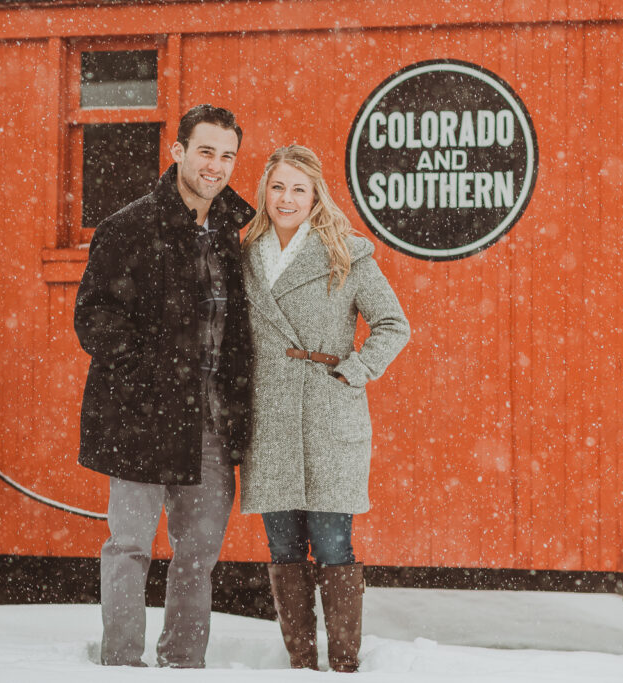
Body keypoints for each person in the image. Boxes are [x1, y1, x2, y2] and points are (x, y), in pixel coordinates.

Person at [74, 104, 255, 668]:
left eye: (227, 155)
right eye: (205, 151)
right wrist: (146, 380)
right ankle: (122, 664)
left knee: (198, 555)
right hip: (140, 416)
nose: (216, 165)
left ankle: (183, 664)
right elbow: (95, 317)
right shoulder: (128, 227)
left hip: (211, 421)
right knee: (128, 547)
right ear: (177, 151)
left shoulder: (231, 233)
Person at [240, 145, 410, 672]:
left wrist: (353, 371)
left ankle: (343, 663)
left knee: (334, 543)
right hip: (267, 417)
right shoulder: (243, 254)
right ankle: (301, 661)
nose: (286, 198)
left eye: (298, 188)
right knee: (283, 545)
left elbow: (393, 325)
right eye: (277, 187)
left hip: (329, 415)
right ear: (264, 192)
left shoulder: (347, 254)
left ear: (315, 197)